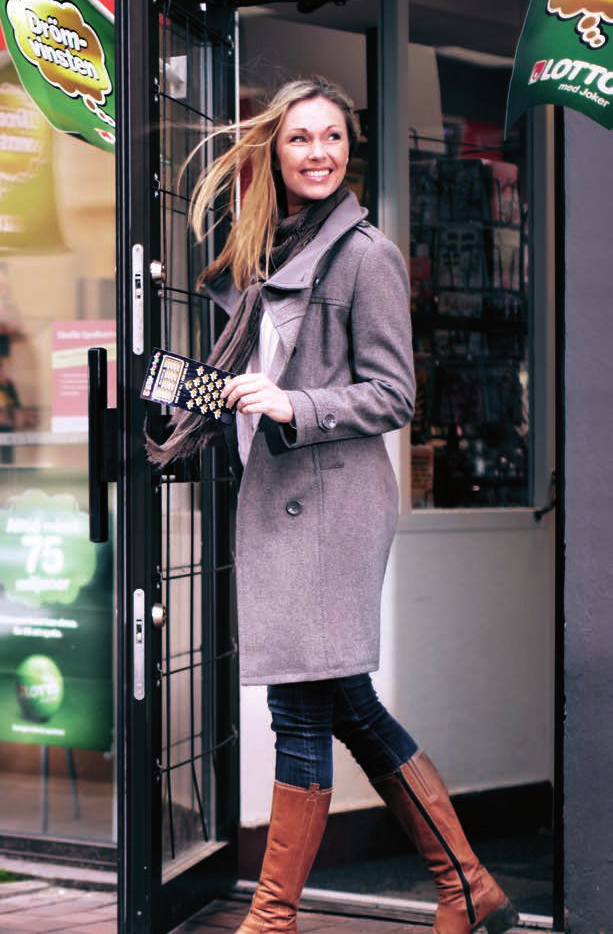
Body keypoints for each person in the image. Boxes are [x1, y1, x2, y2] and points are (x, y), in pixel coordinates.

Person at [148, 78, 518, 934]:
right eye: (300, 139)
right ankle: (467, 888)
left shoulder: (365, 256)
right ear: (273, 153)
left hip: (330, 509)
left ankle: (274, 920)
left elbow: (394, 394)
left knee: (306, 705)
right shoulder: (266, 252)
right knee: (337, 702)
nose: (319, 153)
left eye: (333, 139)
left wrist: (292, 404)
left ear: (349, 151)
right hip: (287, 502)